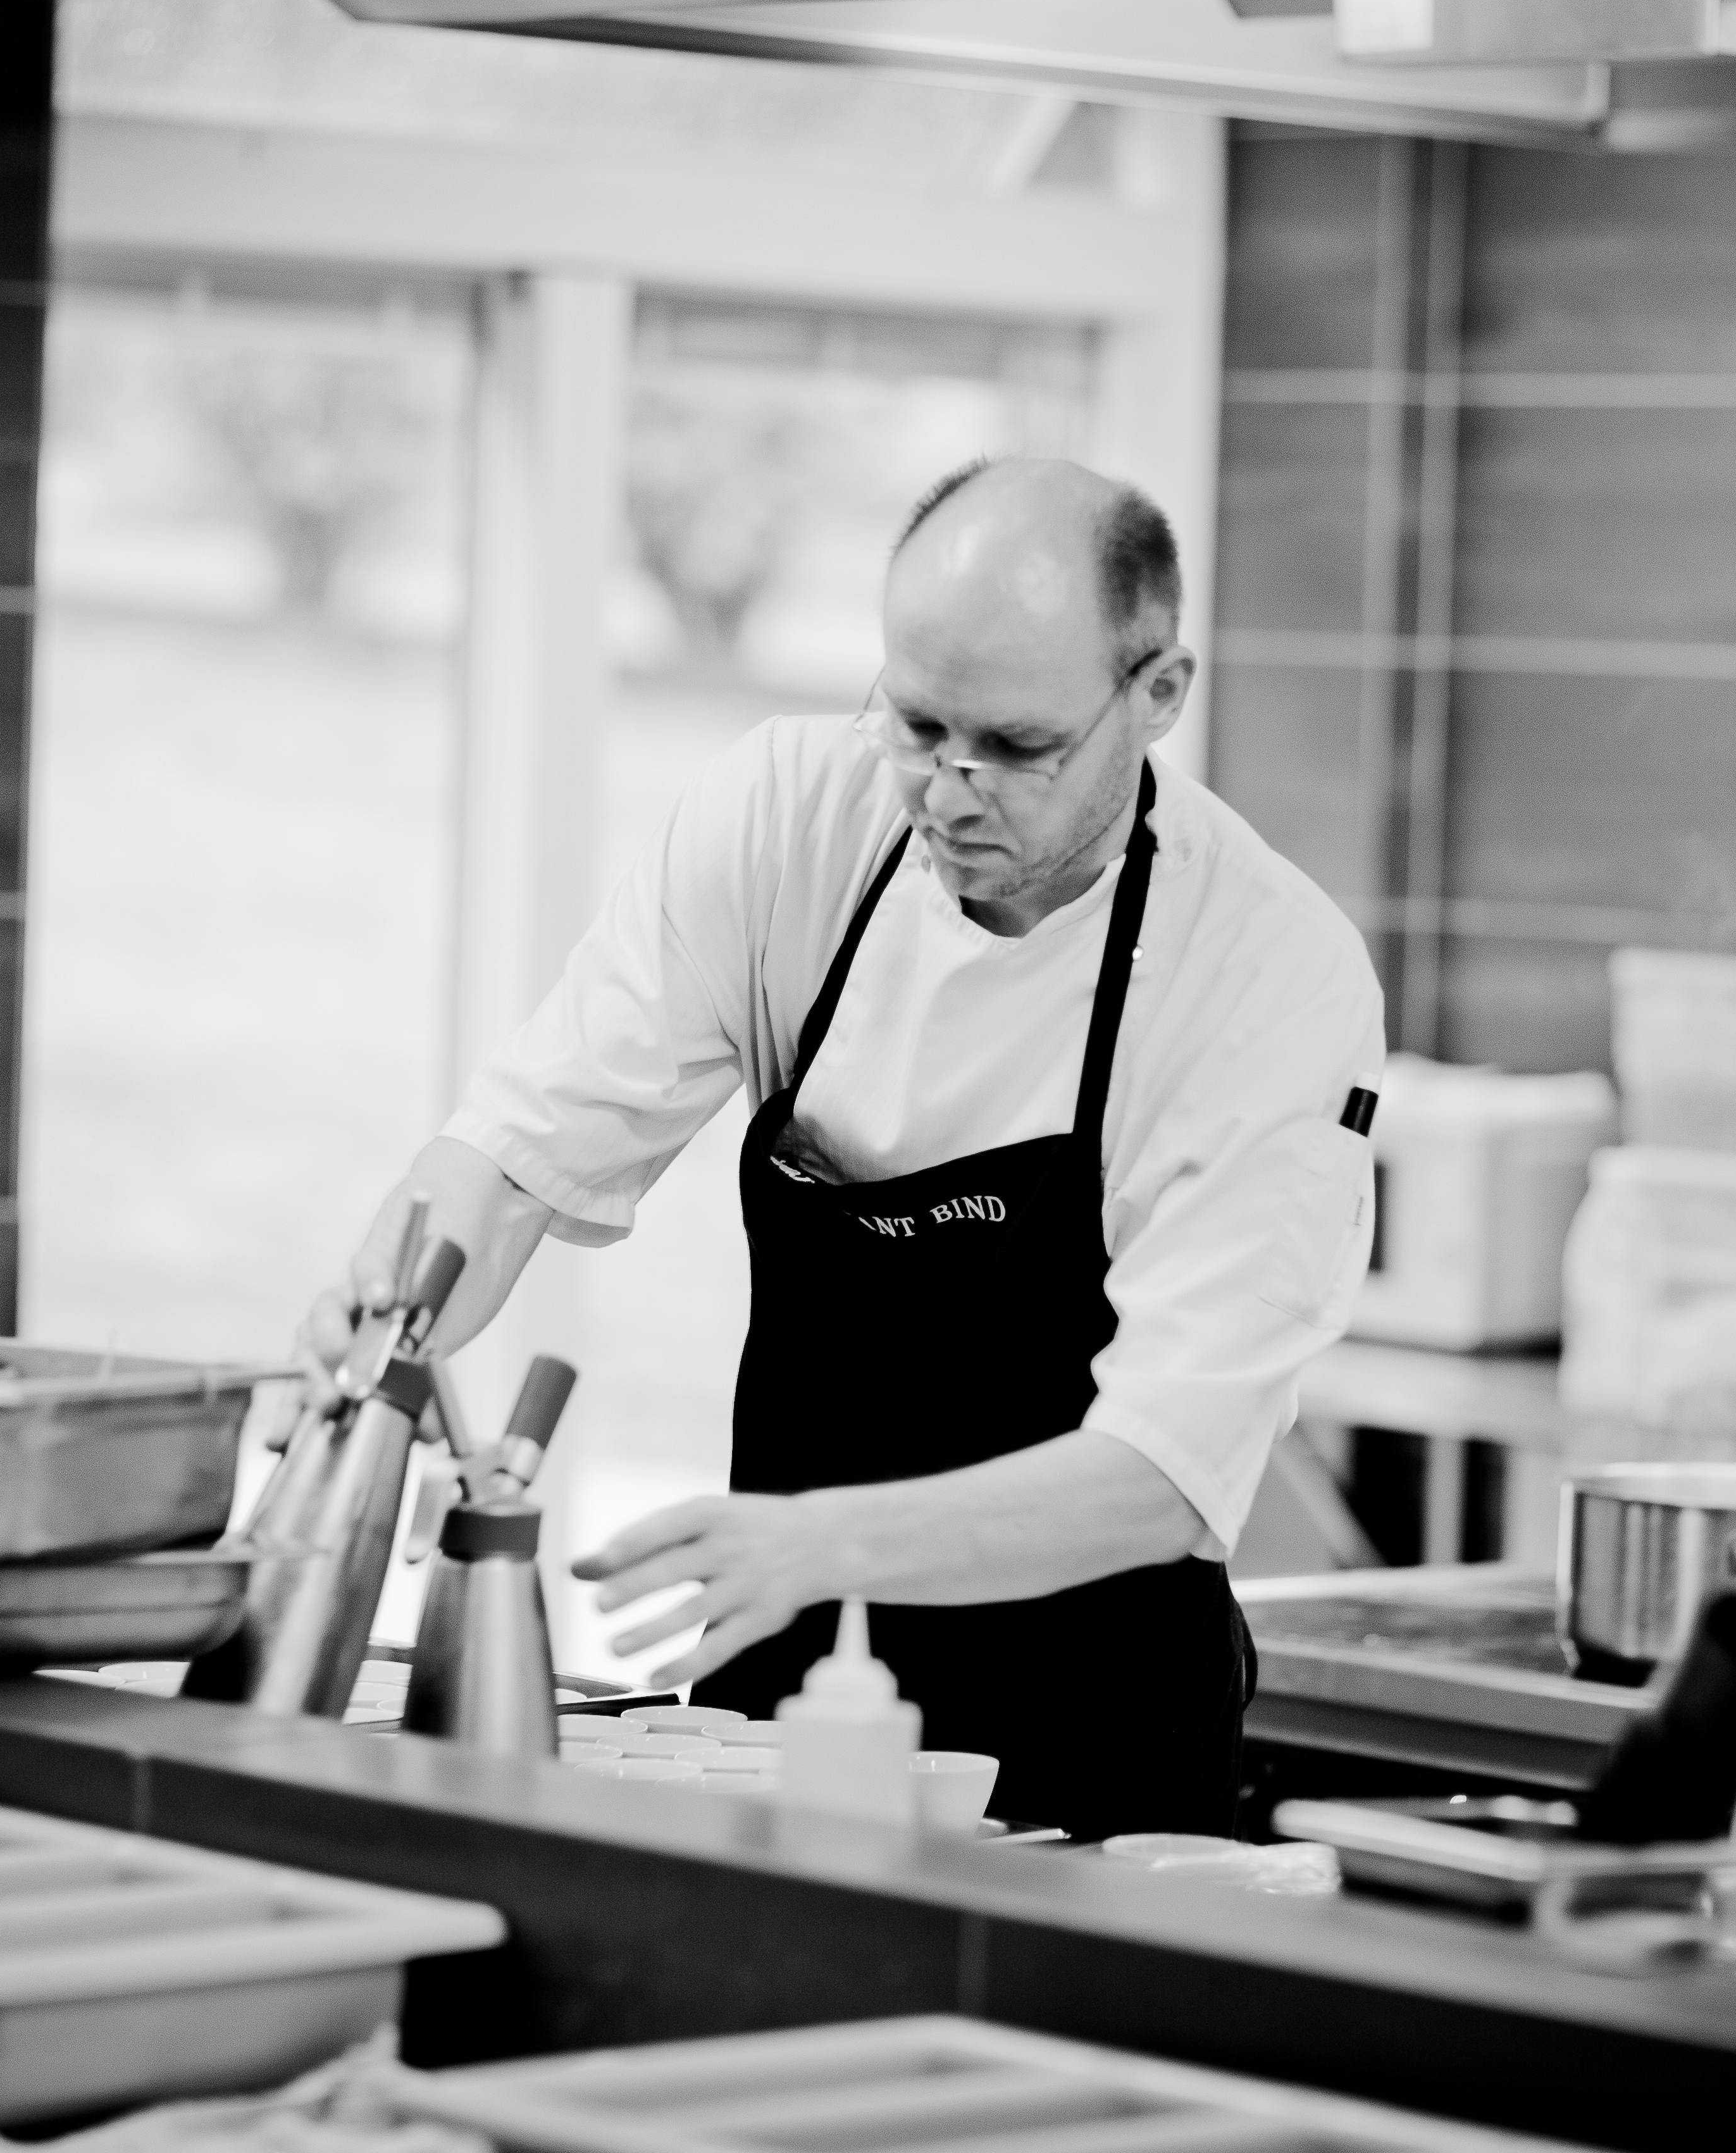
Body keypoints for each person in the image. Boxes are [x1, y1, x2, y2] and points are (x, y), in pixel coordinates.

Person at [332, 457, 1380, 1837]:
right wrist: (377, 1362)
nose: (950, 791)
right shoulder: (790, 820)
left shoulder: (1263, 971)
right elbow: (521, 1152)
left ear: (1160, 693)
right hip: (787, 1680)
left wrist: (821, 1544)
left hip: (1096, 1735)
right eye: (916, 722)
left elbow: (1165, 1471)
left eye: (1016, 748)